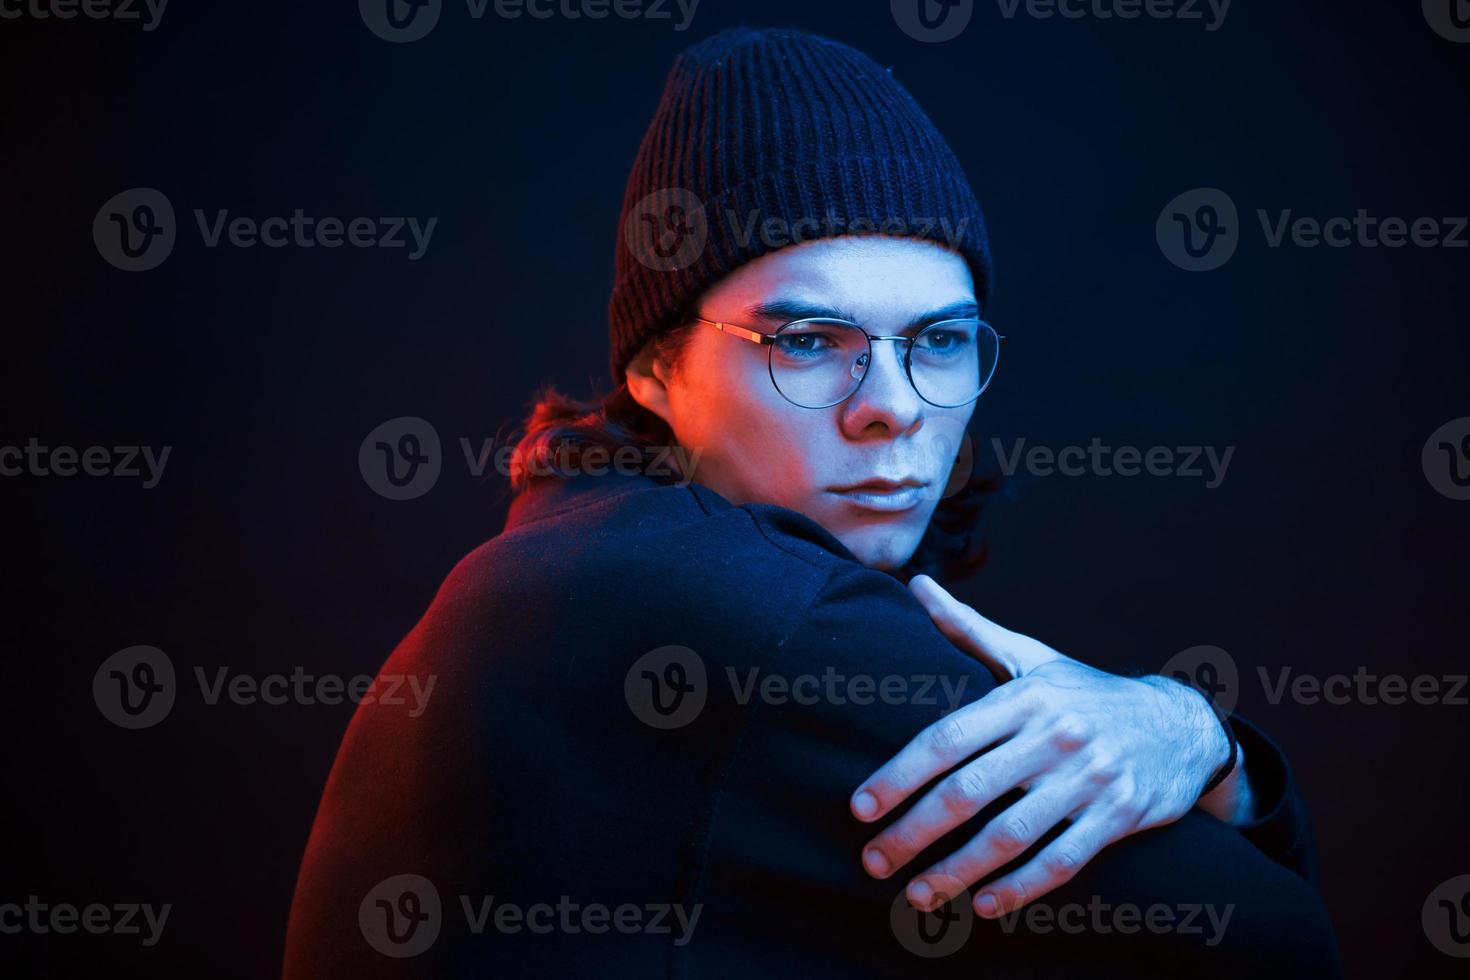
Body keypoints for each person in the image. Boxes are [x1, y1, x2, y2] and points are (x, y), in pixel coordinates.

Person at [283, 26, 1340, 978]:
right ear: (656, 369)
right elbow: (1276, 947)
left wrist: (1193, 735)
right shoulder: (729, 607)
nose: (890, 408)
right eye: (807, 340)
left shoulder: (565, 564)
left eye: (938, 339)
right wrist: (1201, 734)